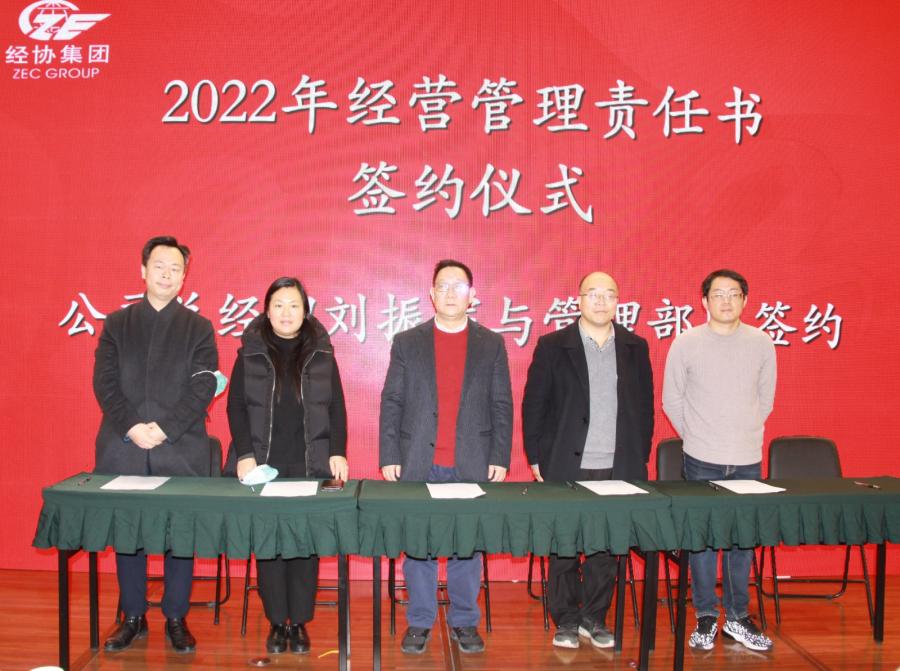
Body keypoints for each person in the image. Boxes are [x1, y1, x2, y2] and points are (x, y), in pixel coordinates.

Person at [379, 259, 512, 655]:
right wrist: (389, 453)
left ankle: (464, 621)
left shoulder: (491, 344)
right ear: (431, 294)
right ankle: (420, 622)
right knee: (418, 547)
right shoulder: (407, 341)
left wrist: (500, 455)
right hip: (418, 460)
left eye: (459, 286)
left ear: (472, 295)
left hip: (471, 461)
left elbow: (502, 404)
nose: (451, 293)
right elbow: (392, 401)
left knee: (466, 546)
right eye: (443, 286)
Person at [94, 236, 218, 654]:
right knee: (128, 535)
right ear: (143, 271)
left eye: (175, 268)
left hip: (179, 447)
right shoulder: (117, 323)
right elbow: (105, 383)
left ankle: (176, 617)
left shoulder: (199, 328)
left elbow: (203, 386)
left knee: (178, 536)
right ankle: (132, 616)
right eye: (159, 266)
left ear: (184, 277)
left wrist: (164, 428)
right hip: (124, 446)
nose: (167, 274)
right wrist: (132, 426)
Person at [522, 271, 654, 649]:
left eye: (609, 294)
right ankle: (565, 619)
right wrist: (535, 456)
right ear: (578, 300)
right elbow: (534, 405)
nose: (600, 301)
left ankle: (594, 618)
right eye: (593, 294)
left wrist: (639, 456)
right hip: (565, 462)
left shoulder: (635, 346)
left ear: (618, 302)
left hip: (618, 465)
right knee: (563, 546)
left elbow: (644, 407)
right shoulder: (553, 345)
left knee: (606, 547)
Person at [226, 277, 348, 654]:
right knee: (270, 544)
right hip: (265, 461)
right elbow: (236, 406)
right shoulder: (250, 352)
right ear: (267, 310)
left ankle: (301, 622)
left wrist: (338, 451)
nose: (286, 312)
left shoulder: (322, 352)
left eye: (294, 305)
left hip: (310, 460)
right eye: (278, 305)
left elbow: (336, 407)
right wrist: (244, 453)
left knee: (304, 544)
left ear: (305, 311)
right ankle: (278, 623)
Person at [662, 269, 776, 652]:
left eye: (733, 294)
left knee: (742, 541)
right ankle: (706, 616)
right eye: (717, 294)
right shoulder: (686, 343)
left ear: (745, 300)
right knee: (703, 542)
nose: (725, 300)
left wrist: (741, 434)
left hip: (747, 459)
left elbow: (765, 399)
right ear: (704, 301)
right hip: (701, 459)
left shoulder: (761, 343)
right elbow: (671, 399)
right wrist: (697, 436)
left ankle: (738, 617)